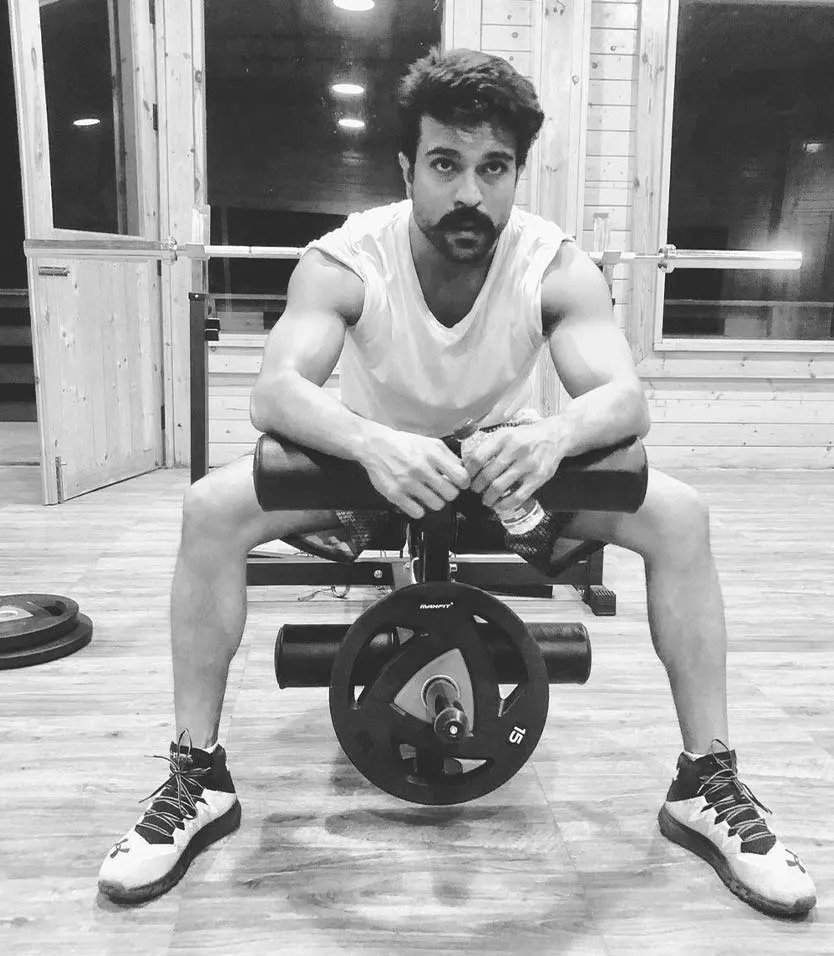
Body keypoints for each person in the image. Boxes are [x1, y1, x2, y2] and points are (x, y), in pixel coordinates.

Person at [98, 48, 816, 918]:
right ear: (407, 168)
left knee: (681, 516)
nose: (470, 192)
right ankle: (197, 777)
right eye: (445, 165)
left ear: (516, 172)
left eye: (493, 168)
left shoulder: (552, 264)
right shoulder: (346, 260)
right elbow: (275, 392)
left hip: (506, 470)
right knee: (210, 509)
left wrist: (553, 435)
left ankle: (705, 782)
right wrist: (371, 442)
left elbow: (625, 398)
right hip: (374, 471)